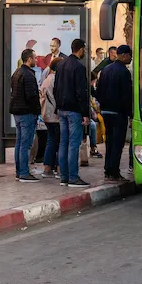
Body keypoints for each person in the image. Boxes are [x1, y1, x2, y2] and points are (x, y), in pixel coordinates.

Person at [54, 39, 91, 187]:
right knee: (73, 144)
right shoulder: (79, 67)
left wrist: (58, 106)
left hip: (62, 109)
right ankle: (73, 177)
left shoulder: (61, 65)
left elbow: (56, 88)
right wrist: (85, 113)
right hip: (74, 110)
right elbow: (81, 92)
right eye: (84, 50)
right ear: (80, 49)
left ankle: (64, 177)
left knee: (63, 143)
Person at [96, 45, 133, 182]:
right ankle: (114, 172)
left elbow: (98, 91)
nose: (130, 58)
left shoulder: (105, 69)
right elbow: (126, 95)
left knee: (109, 142)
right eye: (129, 55)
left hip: (106, 112)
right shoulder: (124, 72)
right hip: (118, 113)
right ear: (123, 55)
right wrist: (130, 114)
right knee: (117, 144)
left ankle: (108, 169)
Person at [9, 49, 41, 182]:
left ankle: (19, 172)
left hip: (17, 111)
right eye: (35, 58)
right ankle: (24, 173)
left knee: (19, 143)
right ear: (29, 59)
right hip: (27, 112)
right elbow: (31, 96)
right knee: (26, 144)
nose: (36, 60)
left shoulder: (17, 72)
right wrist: (37, 111)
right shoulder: (28, 75)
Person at [39, 57, 61, 178]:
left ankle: (47, 168)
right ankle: (59, 168)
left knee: (51, 140)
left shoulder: (46, 80)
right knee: (60, 142)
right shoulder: (56, 80)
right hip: (55, 115)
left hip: (47, 115)